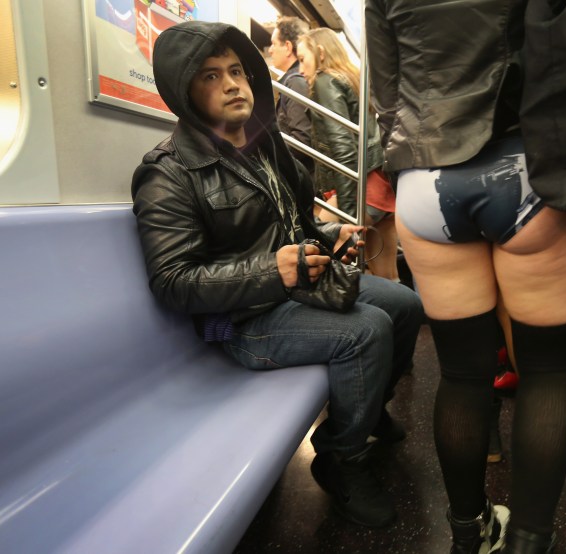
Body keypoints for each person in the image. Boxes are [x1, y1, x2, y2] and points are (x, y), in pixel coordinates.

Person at [130, 21, 423, 529]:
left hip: (294, 290)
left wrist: (328, 235)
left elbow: (292, 222)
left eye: (236, 71)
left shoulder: (264, 144)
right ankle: (341, 458)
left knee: (405, 305)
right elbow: (173, 281)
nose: (232, 84)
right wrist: (273, 271)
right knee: (366, 330)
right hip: (241, 319)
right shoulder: (168, 172)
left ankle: (369, 405)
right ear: (183, 90)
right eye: (210, 76)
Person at [367, 2, 566, 552]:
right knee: (547, 372)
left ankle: (468, 536)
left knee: (461, 374)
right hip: (535, 162)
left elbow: (386, 91)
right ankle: (528, 542)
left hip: (428, 173)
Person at [296, 28, 400, 281]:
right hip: (381, 185)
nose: (300, 69)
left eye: (302, 59)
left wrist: (349, 214)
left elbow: (342, 146)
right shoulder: (353, 78)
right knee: (388, 278)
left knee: (309, 247)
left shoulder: (325, 80)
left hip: (358, 189)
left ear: (320, 53)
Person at [268, 16, 314, 175]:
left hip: (303, 175)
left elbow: (302, 139)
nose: (270, 50)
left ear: (287, 47)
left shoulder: (295, 82)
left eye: (273, 43)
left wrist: (270, 154)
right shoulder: (293, 80)